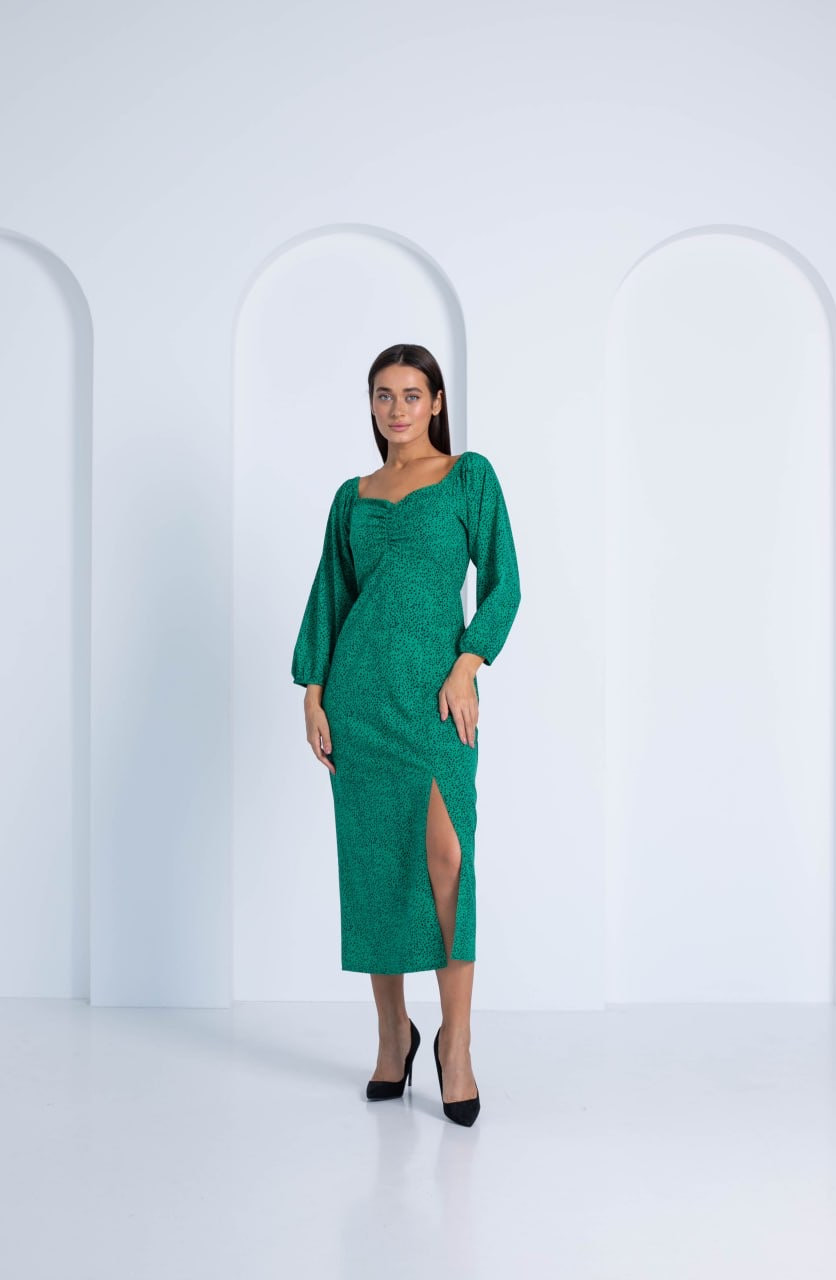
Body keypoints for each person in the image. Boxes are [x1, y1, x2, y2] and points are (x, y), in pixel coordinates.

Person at [291, 343, 521, 1126]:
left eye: (411, 394)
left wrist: (467, 665)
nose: (397, 408)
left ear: (436, 401)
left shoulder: (468, 477)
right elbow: (330, 595)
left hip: (435, 701)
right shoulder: (351, 497)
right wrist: (314, 693)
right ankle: (393, 1034)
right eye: (383, 395)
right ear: (371, 404)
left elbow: (503, 583)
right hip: (357, 701)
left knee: (448, 860)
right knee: (376, 867)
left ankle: (456, 1043)